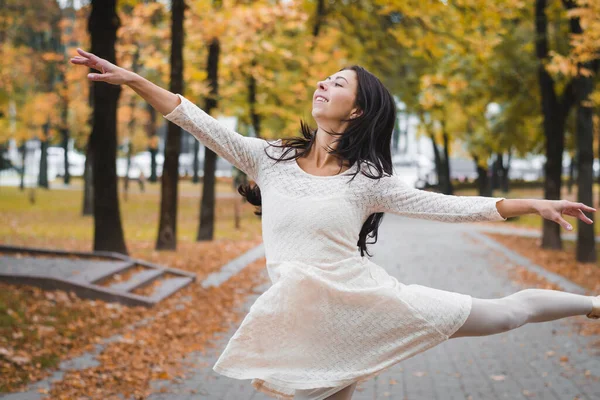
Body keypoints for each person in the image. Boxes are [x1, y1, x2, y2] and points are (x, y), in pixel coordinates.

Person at [71, 48, 599, 400]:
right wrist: (135, 80)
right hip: (309, 317)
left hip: (368, 302)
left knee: (505, 316)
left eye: (338, 83)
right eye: (325, 79)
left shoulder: (369, 181)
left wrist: (534, 206)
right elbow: (196, 120)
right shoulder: (268, 159)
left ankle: (595, 304)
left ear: (359, 111)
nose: (322, 84)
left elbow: (447, 206)